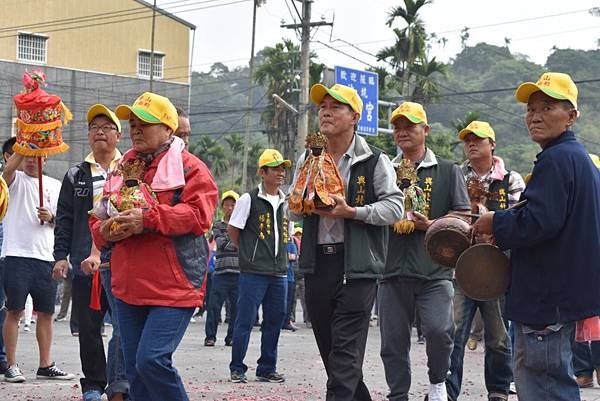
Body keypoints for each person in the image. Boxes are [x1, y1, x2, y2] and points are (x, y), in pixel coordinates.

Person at [473, 72, 600, 401]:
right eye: (531, 109)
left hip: (546, 301)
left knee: (545, 388)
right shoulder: (576, 160)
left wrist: (495, 222)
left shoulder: (557, 160)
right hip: (558, 297)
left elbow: (539, 222)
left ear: (572, 115)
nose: (535, 116)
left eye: (548, 107)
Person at [90, 92, 218, 401]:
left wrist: (148, 219)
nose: (135, 129)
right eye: (132, 123)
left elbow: (199, 215)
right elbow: (98, 216)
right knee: (135, 370)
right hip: (127, 284)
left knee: (152, 360)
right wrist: (106, 230)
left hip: (173, 287)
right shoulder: (122, 168)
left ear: (168, 130)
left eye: (145, 123)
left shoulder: (191, 168)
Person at [291, 83, 404, 401]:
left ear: (355, 116)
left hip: (357, 268)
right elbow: (292, 211)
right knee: (334, 355)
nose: (325, 111)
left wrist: (352, 211)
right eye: (322, 106)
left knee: (343, 355)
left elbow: (395, 209)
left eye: (335, 106)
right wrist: (301, 201)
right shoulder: (308, 159)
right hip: (317, 264)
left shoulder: (374, 161)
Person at [379, 102, 470, 401]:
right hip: (391, 269)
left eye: (410, 126)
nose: (402, 132)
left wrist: (431, 225)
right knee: (392, 342)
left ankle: (437, 382)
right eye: (397, 127)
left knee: (439, 330)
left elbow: (463, 216)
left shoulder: (447, 170)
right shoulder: (385, 170)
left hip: (435, 269)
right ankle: (398, 394)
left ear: (426, 130)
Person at [445, 120, 525, 401]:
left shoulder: (511, 179)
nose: (471, 144)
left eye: (478, 140)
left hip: (498, 269)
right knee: (453, 333)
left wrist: (488, 220)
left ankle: (499, 389)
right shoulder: (456, 175)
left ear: (492, 144)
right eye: (467, 140)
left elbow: (519, 219)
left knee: (499, 337)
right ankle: (447, 391)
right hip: (461, 268)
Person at [53, 104, 126, 401]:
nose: (99, 131)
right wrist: (61, 256)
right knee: (89, 328)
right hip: (86, 263)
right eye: (94, 127)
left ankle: (120, 384)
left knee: (124, 326)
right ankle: (94, 384)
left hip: (124, 262)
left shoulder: (131, 169)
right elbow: (65, 219)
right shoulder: (76, 175)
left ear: (118, 136)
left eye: (107, 127)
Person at [1, 140, 75, 383]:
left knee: (45, 313)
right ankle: (11, 364)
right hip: (16, 255)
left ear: (46, 158)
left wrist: (51, 216)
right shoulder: (13, 181)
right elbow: (8, 170)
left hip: (46, 257)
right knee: (15, 311)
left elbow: (64, 221)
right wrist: (26, 142)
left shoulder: (55, 185)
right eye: (29, 156)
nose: (33, 160)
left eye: (38, 156)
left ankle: (46, 365)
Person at [227, 149, 291, 384]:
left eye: (282, 168)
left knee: (275, 320)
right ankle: (237, 367)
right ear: (262, 173)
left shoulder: (286, 201)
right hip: (254, 271)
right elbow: (234, 230)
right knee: (245, 319)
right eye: (275, 168)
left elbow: (288, 233)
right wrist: (248, 254)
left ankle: (266, 367)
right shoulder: (248, 199)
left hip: (279, 271)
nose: (280, 173)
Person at [204, 190, 241, 347]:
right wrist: (238, 243)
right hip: (221, 272)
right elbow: (222, 244)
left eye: (233, 205)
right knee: (214, 306)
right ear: (222, 207)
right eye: (227, 205)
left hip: (239, 273)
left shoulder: (242, 225)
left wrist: (237, 243)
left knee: (236, 308)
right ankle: (210, 337)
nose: (230, 208)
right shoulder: (218, 225)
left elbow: (245, 245)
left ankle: (231, 337)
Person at [282, 234, 298, 331]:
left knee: (289, 301)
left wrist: (284, 255)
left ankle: (287, 321)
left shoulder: (291, 244)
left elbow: (294, 256)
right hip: (279, 276)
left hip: (290, 277)